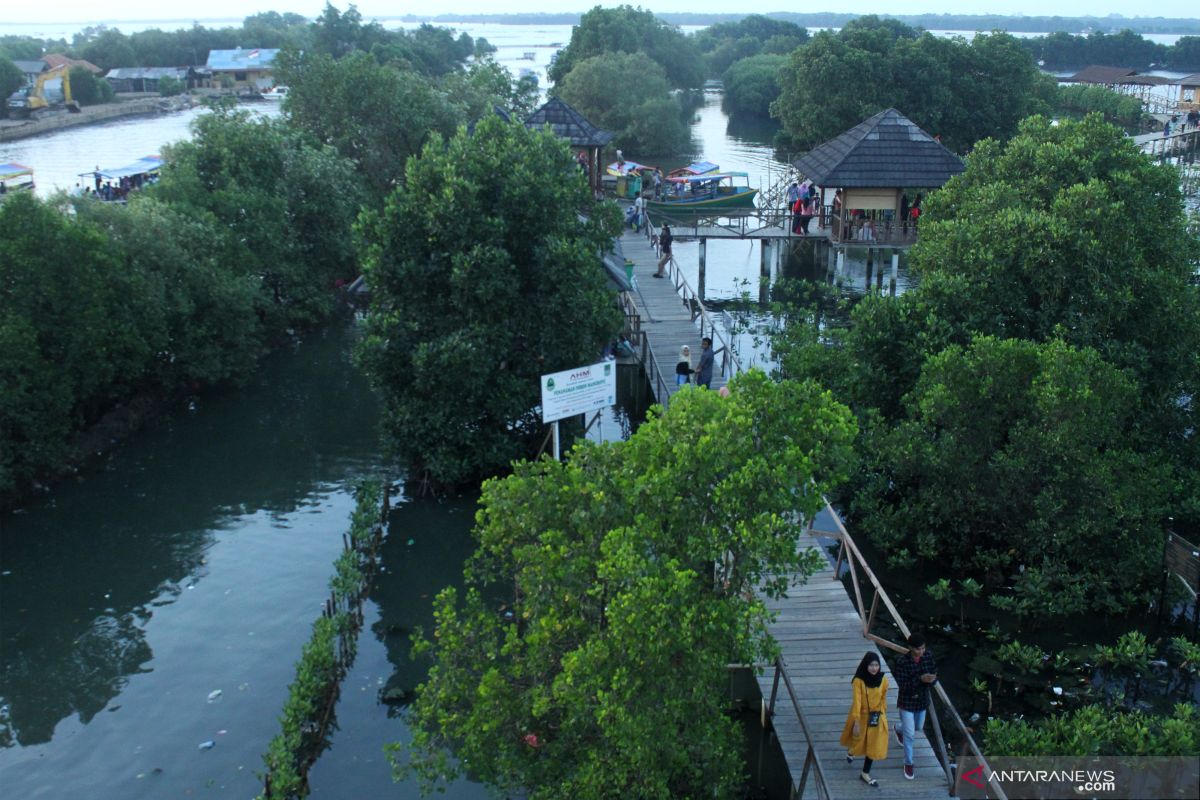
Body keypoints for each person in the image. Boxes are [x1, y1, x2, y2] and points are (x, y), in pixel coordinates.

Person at [840, 652, 890, 787]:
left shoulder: (883, 679)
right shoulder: (858, 681)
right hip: (861, 715)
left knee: (873, 744)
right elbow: (857, 701)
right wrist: (856, 721)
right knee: (858, 739)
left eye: (876, 665)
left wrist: (882, 713)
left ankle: (865, 773)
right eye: (871, 665)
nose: (874, 668)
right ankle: (851, 751)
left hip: (877, 716)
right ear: (865, 665)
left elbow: (884, 696)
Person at [895, 632, 938, 780]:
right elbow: (903, 686)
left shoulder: (928, 656)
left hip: (922, 700)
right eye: (918, 649)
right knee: (910, 735)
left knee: (918, 727)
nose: (921, 652)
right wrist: (920, 679)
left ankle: (897, 728)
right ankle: (908, 762)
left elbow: (934, 673)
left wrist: (931, 680)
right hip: (906, 701)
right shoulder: (902, 662)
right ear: (910, 648)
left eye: (923, 648)